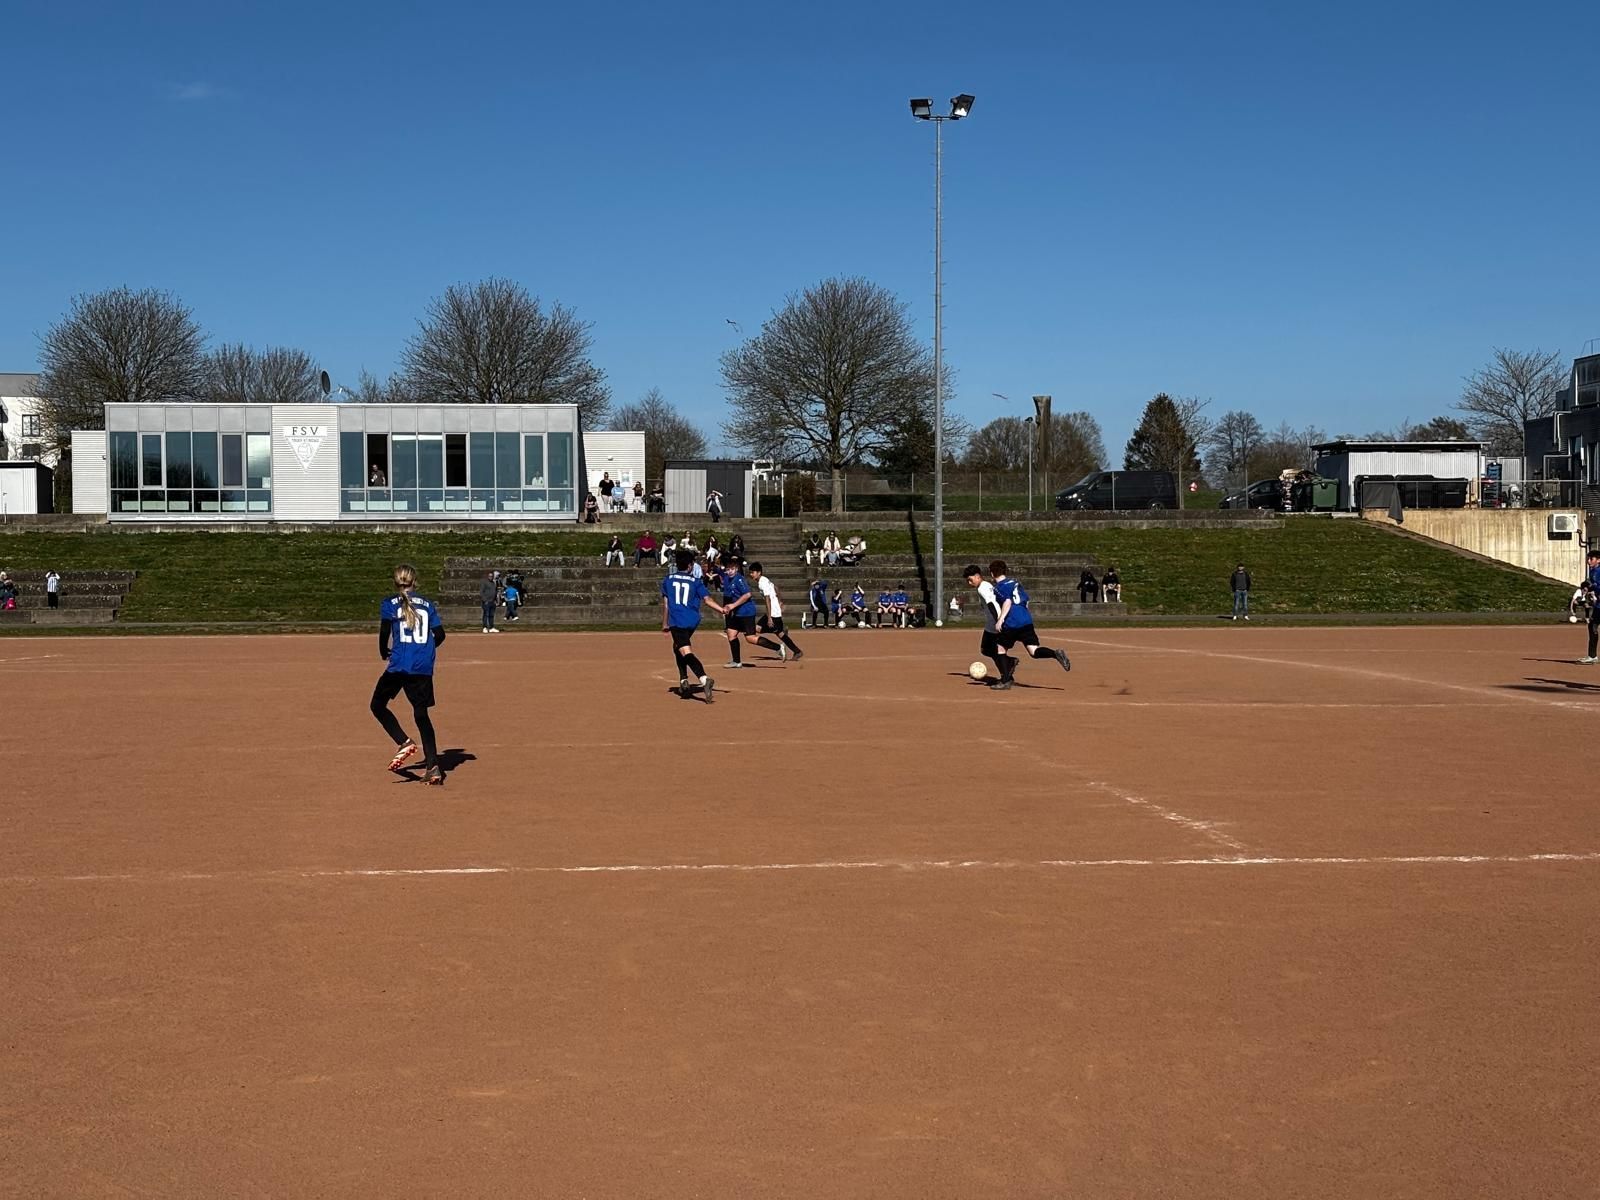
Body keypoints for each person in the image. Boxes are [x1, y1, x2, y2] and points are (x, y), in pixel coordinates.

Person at [372, 563, 447, 785]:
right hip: (422, 667)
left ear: (395, 582)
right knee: (421, 715)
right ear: (415, 581)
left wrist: (383, 651)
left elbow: (385, 632)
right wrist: (425, 649)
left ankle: (404, 742)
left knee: (377, 705)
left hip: (400, 665)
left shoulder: (389, 603)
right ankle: (433, 767)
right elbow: (440, 635)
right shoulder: (427, 604)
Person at [988, 560, 1072, 690]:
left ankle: (1005, 681)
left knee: (1000, 648)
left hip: (1012, 622)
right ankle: (1055, 654)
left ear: (992, 573)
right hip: (1026, 620)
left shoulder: (999, 587)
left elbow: (1007, 601)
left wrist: (1000, 620)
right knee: (1034, 651)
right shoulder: (1015, 583)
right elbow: (1026, 601)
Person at [661, 546, 721, 702]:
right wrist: (722, 610)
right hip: (692, 620)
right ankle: (684, 680)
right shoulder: (696, 581)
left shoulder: (668, 579)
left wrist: (665, 623)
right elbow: (707, 600)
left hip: (677, 621)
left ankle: (704, 679)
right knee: (677, 647)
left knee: (685, 651)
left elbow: (666, 604)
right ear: (689, 566)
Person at [718, 557, 786, 665]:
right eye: (728, 569)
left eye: (732, 569)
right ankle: (736, 661)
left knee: (750, 638)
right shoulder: (727, 579)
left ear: (736, 569)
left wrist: (733, 606)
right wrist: (726, 609)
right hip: (737, 613)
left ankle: (778, 647)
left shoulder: (739, 580)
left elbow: (748, 594)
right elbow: (727, 597)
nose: (729, 571)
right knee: (731, 633)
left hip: (746, 612)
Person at [963, 565, 1011, 684]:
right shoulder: (987, 585)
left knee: (988, 650)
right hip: (992, 623)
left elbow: (992, 604)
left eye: (970, 579)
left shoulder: (982, 588)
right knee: (990, 650)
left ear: (977, 576)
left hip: (994, 624)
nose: (969, 583)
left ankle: (1008, 667)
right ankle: (1007, 672)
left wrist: (998, 621)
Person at [747, 562, 804, 662]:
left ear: (759, 572)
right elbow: (776, 588)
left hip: (773, 613)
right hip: (773, 611)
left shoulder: (762, 583)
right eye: (750, 572)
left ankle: (797, 651)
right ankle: (794, 647)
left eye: (753, 572)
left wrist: (769, 618)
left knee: (778, 633)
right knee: (759, 629)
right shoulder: (765, 580)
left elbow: (767, 599)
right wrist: (780, 601)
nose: (751, 574)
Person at [1581, 549, 1600, 664]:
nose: (1588, 561)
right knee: (1592, 626)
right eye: (1588, 558)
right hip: (1598, 606)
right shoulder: (1592, 571)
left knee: (1593, 626)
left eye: (1591, 559)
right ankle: (1592, 656)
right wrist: (1587, 587)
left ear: (1598, 560)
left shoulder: (1598, 571)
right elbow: (1593, 585)